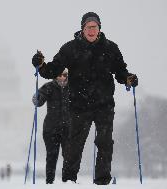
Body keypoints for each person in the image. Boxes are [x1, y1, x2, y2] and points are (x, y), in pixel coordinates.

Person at [32, 12, 138, 185]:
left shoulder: (111, 48)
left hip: (104, 104)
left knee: (105, 143)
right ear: (82, 28)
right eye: (88, 27)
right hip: (79, 104)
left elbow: (120, 71)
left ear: (99, 29)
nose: (91, 30)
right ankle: (68, 180)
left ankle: (102, 181)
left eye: (94, 27)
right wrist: (41, 65)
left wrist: (128, 78)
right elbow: (53, 70)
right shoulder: (70, 48)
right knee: (74, 145)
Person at [32, 69, 70, 184]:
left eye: (65, 75)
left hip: (68, 128)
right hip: (51, 128)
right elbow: (39, 100)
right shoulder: (49, 87)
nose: (62, 78)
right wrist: (37, 98)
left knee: (69, 156)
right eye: (59, 75)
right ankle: (49, 182)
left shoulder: (74, 88)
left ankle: (68, 182)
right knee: (52, 156)